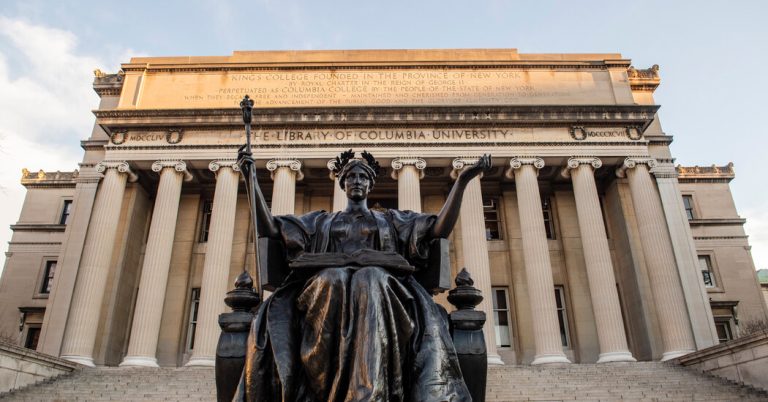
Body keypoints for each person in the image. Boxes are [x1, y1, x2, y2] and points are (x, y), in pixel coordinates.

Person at [235, 149, 491, 402]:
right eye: (352, 177)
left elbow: (438, 229)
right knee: (332, 278)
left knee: (369, 279)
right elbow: (269, 227)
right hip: (326, 290)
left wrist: (462, 181)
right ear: (343, 183)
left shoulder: (391, 221)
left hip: (384, 292)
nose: (357, 181)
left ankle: (369, 393)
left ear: (370, 185)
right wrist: (251, 180)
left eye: (363, 177)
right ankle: (325, 387)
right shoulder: (320, 222)